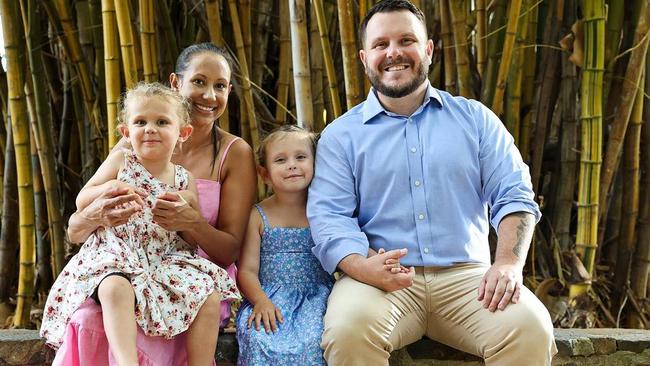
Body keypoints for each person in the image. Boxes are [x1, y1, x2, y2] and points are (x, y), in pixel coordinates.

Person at [306, 1, 557, 365]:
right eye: (381, 44)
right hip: (378, 279)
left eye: (406, 40)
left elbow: (514, 194)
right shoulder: (340, 136)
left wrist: (506, 264)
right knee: (348, 330)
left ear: (427, 50)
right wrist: (362, 267)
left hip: (468, 279)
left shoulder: (475, 120)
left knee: (529, 328)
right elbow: (330, 216)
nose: (394, 52)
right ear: (364, 57)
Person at [57, 43, 257, 365]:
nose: (208, 95)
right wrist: (102, 207)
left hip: (181, 270)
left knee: (200, 298)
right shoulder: (134, 143)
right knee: (94, 314)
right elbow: (79, 219)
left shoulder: (233, 154)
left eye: (219, 86)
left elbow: (228, 250)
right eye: (199, 81)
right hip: (123, 262)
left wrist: (190, 222)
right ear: (176, 83)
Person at [235, 125, 333, 365]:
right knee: (259, 337)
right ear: (265, 174)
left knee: (313, 340)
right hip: (268, 297)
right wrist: (260, 301)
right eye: (280, 159)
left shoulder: (324, 212)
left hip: (316, 297)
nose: (292, 164)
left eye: (301, 157)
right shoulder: (257, 216)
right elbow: (246, 270)